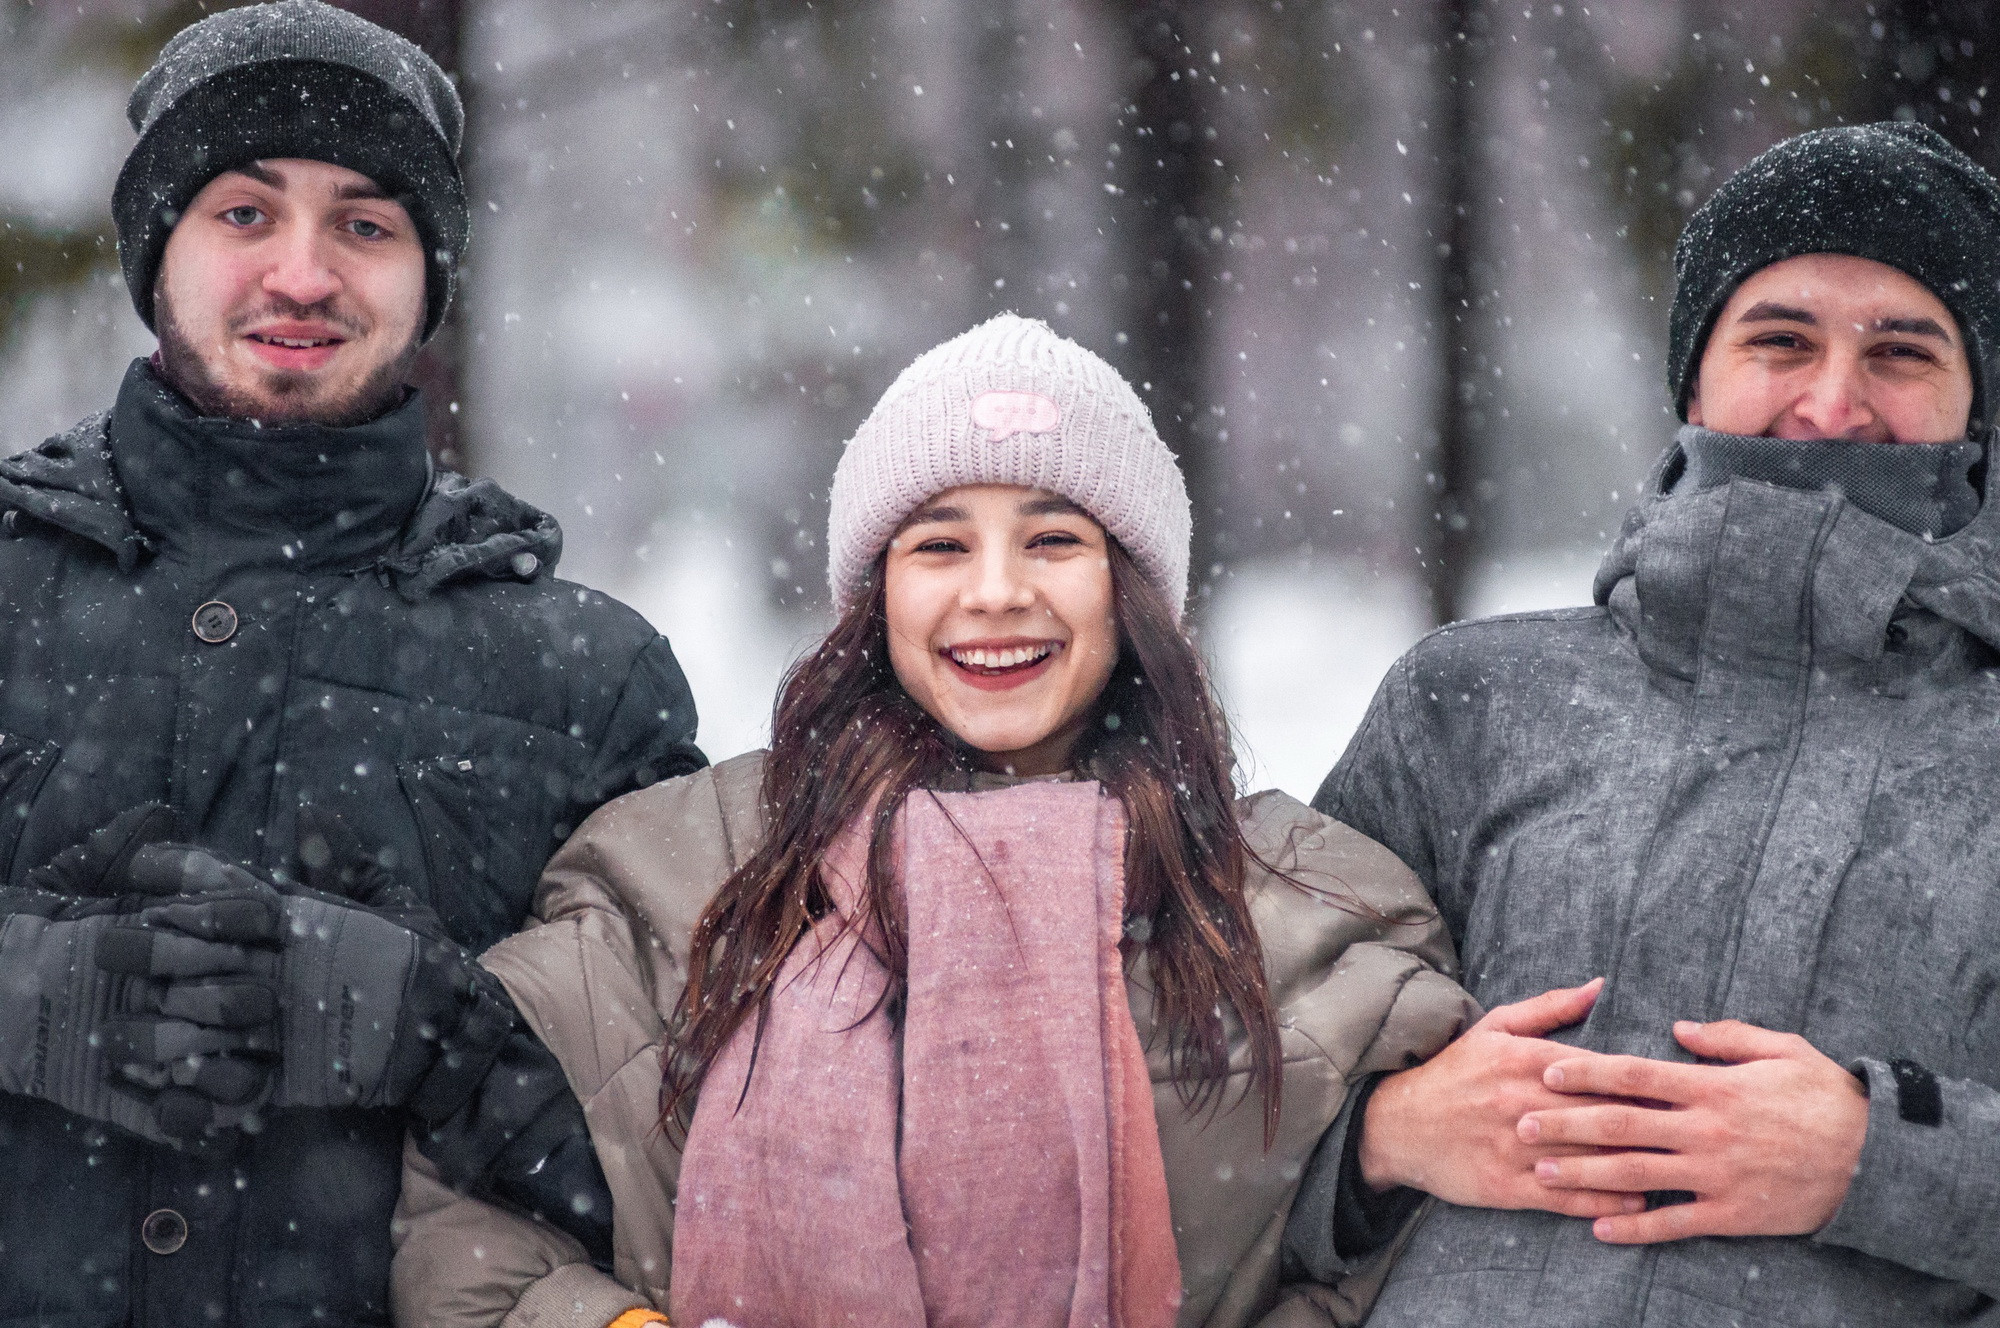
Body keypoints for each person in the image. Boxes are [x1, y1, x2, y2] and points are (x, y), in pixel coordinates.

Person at [390, 314, 1516, 1328]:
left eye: (1052, 539)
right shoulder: (678, 865)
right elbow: (465, 1214)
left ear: (1132, 592)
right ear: (873, 590)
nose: (993, 590)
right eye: (938, 542)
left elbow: (1385, 1267)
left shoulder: (1297, 905)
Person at [0, 3, 703, 1325]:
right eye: (245, 214)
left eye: (366, 225)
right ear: (157, 253)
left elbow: (699, 1170)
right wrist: (33, 1000)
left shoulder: (585, 684)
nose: (305, 275)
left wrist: (428, 1025)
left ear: (431, 276)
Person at [1290, 121, 2000, 1326]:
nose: (1831, 402)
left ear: (1974, 400)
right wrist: (1385, 1135)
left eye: (1900, 351)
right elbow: (1222, 1108)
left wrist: (1877, 1158)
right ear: (1691, 378)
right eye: (1778, 339)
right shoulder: (1463, 704)